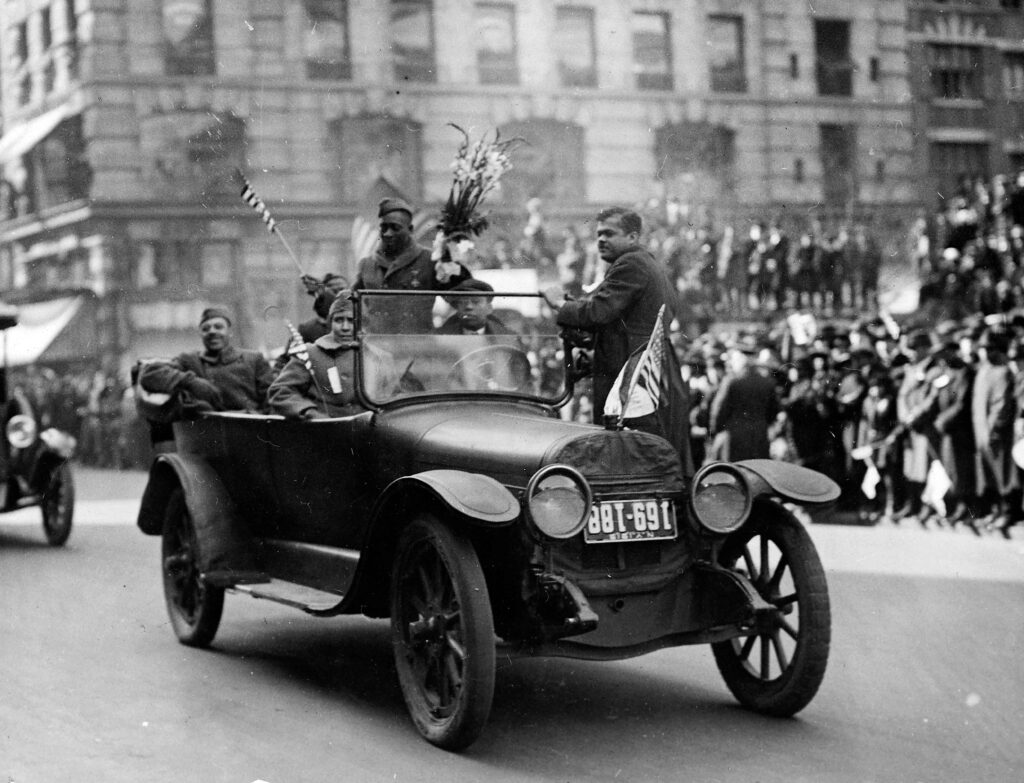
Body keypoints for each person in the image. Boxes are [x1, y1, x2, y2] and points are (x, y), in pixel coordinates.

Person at [541, 207, 679, 421]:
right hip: (642, 371)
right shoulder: (644, 262)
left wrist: (559, 303)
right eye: (599, 234)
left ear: (633, 237)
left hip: (630, 375)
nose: (601, 240)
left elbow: (597, 312)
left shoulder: (631, 264)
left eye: (609, 233)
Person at [268, 291, 397, 419]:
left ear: (362, 323)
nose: (345, 327)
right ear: (330, 323)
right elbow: (280, 391)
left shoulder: (380, 358)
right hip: (325, 430)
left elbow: (395, 398)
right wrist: (309, 412)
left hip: (369, 432)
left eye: (351, 320)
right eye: (339, 320)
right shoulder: (310, 354)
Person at [353, 197, 471, 333]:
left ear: (410, 229)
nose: (387, 234)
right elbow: (351, 303)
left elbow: (463, 295)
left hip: (416, 346)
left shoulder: (430, 261)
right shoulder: (367, 265)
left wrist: (451, 263)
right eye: (383, 228)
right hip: (376, 346)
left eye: (395, 228)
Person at [139, 306, 273, 416]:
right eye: (206, 328)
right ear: (200, 334)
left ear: (229, 332)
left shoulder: (254, 359)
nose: (212, 332)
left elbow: (271, 399)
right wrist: (191, 381)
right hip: (207, 434)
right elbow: (149, 375)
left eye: (218, 327)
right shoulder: (190, 361)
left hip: (250, 430)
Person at [708, 337, 780, 461]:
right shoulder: (768, 383)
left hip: (736, 435)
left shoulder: (734, 382)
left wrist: (716, 430)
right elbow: (773, 412)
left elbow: (722, 411)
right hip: (760, 433)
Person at [435, 279, 511, 335]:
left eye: (476, 302)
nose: (469, 307)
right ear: (457, 308)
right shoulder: (439, 337)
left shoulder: (508, 336)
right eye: (463, 302)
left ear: (489, 308)